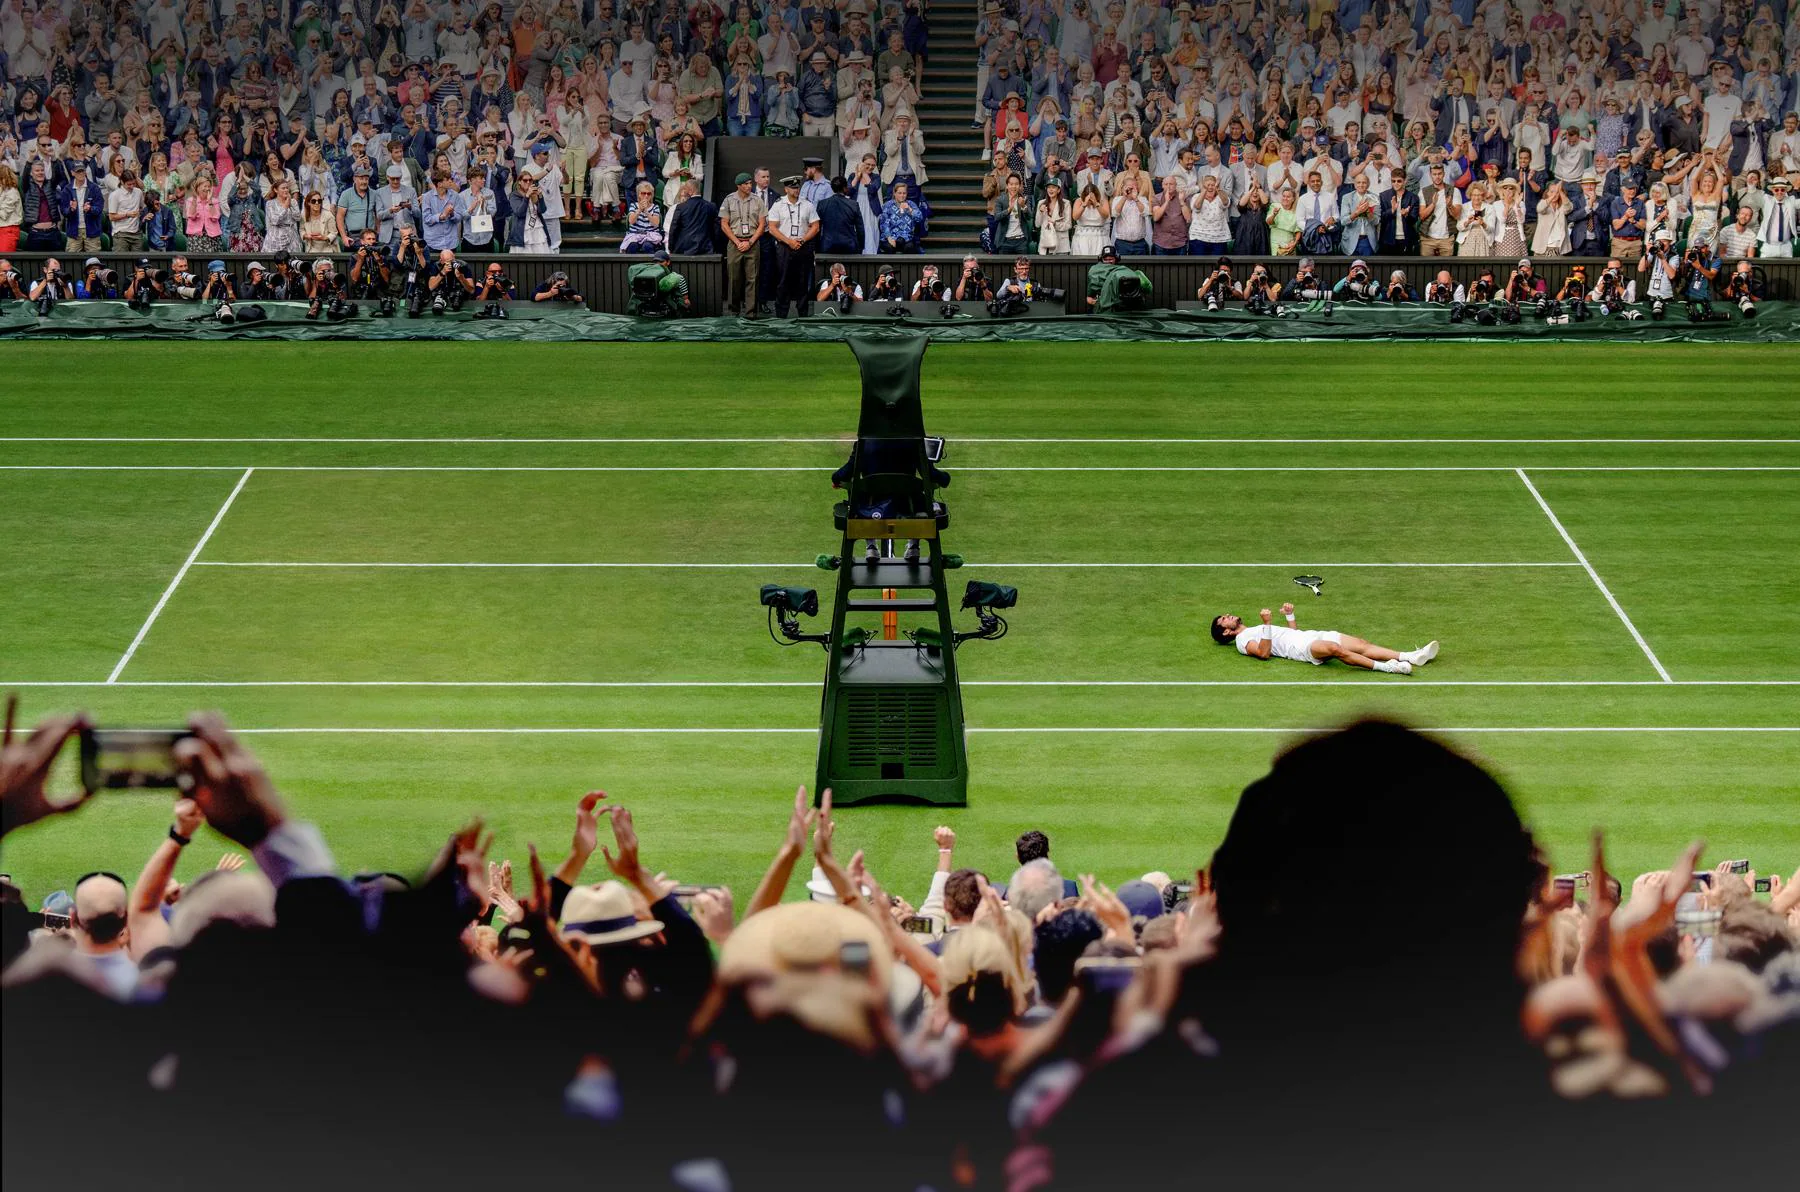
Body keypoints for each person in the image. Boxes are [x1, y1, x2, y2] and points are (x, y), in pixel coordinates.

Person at [1210, 603, 1437, 675]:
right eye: (1224, 620)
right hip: (1304, 649)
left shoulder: (1256, 627)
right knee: (1335, 648)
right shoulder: (1241, 642)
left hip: (1308, 636)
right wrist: (1268, 624)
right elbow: (1263, 654)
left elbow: (1291, 633)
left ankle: (1411, 656)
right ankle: (1389, 668)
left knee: (1361, 644)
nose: (1227, 616)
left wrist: (1290, 616)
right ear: (1227, 633)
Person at [765, 173, 820, 317]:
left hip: (803, 246)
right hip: (785, 247)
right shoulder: (778, 205)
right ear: (786, 189)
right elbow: (772, 227)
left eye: (797, 187)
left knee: (802, 281)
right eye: (793, 187)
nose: (796, 190)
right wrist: (788, 241)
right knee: (783, 281)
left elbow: (815, 226)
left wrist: (803, 239)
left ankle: (803, 313)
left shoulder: (807, 204)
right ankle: (781, 314)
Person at [719, 172, 767, 319]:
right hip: (735, 243)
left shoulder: (757, 201)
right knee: (734, 278)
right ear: (738, 186)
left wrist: (751, 241)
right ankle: (734, 311)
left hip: (752, 242)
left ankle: (751, 313)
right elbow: (724, 224)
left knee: (752, 279)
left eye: (750, 183)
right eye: (745, 184)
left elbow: (762, 224)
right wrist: (738, 242)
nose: (749, 186)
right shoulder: (729, 200)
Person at [1085, 243, 1153, 313]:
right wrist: (1097, 303)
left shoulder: (1122, 271)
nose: (1108, 262)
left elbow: (1147, 288)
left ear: (1116, 258)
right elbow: (1089, 297)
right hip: (1103, 308)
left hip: (1123, 307)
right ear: (1101, 259)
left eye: (1111, 259)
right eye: (1105, 259)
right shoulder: (1094, 271)